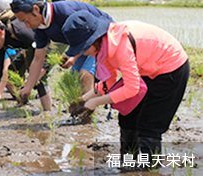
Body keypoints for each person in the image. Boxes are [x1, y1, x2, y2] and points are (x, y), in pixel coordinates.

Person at [62, 12, 189, 167]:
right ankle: (128, 164)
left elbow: (132, 88)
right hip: (147, 68)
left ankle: (149, 169)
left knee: (149, 124)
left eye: (82, 47)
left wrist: (95, 103)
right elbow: (109, 83)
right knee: (128, 117)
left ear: (93, 40)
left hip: (171, 67)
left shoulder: (119, 45)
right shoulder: (103, 48)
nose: (81, 52)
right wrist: (84, 99)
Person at [10, 0, 114, 96]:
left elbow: (87, 37)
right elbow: (38, 59)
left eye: (26, 20)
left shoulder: (64, 12)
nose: (27, 25)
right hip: (83, 44)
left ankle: (89, 108)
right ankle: (82, 108)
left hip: (100, 36)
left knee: (85, 74)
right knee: (74, 77)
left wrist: (73, 56)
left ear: (36, 9)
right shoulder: (40, 28)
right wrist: (28, 87)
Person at [0, 17, 52, 114]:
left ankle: (48, 113)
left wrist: (33, 80)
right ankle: (23, 99)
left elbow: (48, 53)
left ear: (0, 33)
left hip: (48, 45)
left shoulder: (21, 32)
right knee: (11, 71)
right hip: (29, 48)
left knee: (40, 78)